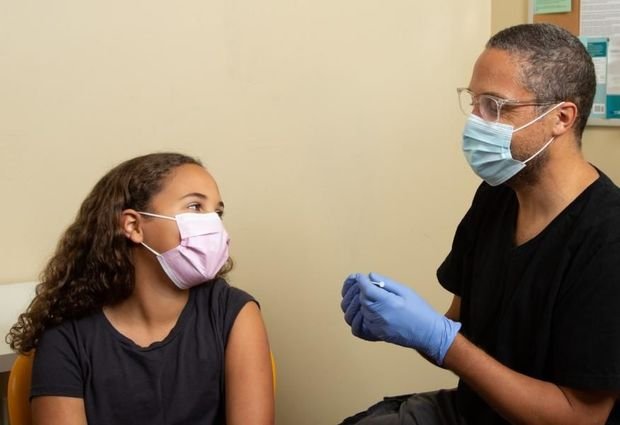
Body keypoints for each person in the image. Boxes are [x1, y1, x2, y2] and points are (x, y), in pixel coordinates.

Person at [340, 23, 620, 425]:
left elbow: (580, 418)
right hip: (471, 411)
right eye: (474, 102)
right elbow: (461, 333)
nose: (475, 121)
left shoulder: (608, 238)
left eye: (494, 106)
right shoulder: (495, 197)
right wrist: (405, 324)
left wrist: (440, 340)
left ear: (561, 117)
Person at [6, 152, 274, 425]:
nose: (213, 224)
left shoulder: (234, 313)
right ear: (133, 225)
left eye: (217, 212)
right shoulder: (66, 336)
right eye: (195, 206)